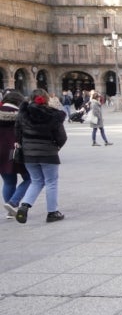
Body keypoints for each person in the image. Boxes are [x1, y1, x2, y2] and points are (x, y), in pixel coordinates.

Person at [14, 88, 68, 224]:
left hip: (29, 155)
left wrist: (25, 145)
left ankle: (24, 205)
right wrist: (56, 147)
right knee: (51, 182)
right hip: (48, 153)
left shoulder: (23, 114)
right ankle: (52, 212)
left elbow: (17, 134)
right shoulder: (53, 115)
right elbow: (62, 136)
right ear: (46, 99)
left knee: (36, 181)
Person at [1, 91, 31, 218]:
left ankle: (10, 211)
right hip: (16, 151)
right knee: (30, 179)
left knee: (8, 181)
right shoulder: (21, 115)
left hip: (0, 153)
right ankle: (13, 203)